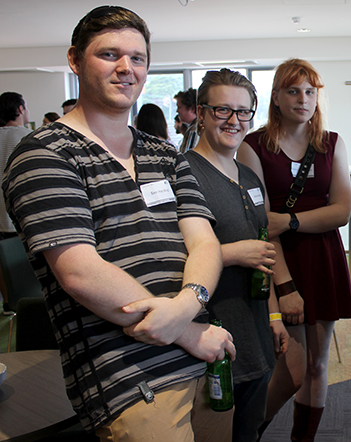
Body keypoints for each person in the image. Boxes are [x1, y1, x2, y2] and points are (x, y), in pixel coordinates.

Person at [2, 6, 235, 441]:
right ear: (75, 60)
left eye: (138, 58)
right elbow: (79, 272)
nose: (127, 68)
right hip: (131, 380)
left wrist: (188, 306)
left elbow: (204, 243)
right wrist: (186, 331)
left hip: (205, 359)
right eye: (109, 55)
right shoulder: (45, 154)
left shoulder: (164, 154)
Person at [237, 58, 351, 442]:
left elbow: (341, 211)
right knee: (289, 369)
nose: (303, 99)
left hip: (322, 257)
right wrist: (286, 287)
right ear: (276, 97)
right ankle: (246, 433)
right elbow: (261, 223)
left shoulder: (332, 143)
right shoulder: (253, 147)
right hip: (276, 262)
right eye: (293, 91)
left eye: (309, 91)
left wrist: (288, 221)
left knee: (317, 366)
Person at [185, 68, 290, 442]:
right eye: (222, 110)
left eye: (243, 111)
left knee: (250, 430)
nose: (234, 120)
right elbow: (168, 257)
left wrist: (274, 314)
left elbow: (263, 253)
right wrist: (230, 254)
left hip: (256, 331)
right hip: (211, 335)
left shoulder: (249, 176)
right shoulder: (184, 174)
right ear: (201, 113)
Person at [0, 91, 31, 316]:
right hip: (20, 216)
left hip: (0, 218)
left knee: (4, 268)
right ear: (20, 109)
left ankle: (8, 306)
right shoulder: (30, 138)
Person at [176, 87, 199, 153]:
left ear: (192, 109)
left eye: (179, 107)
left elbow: (188, 158)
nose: (177, 111)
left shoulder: (194, 130)